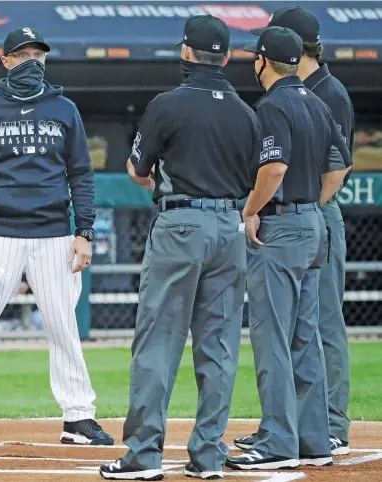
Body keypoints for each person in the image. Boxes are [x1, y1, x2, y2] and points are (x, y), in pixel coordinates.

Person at [0, 27, 114, 447]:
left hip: (54, 234)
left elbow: (81, 174)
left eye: (38, 55)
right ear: (5, 61)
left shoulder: (64, 108)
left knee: (64, 327)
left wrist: (84, 232)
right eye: (23, 54)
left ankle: (79, 417)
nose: (32, 61)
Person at [99, 15, 259, 481]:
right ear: (228, 58)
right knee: (220, 346)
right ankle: (208, 457)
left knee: (159, 341)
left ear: (186, 53)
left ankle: (144, 456)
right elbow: (256, 176)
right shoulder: (246, 113)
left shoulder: (167, 104)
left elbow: (136, 168)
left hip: (180, 224)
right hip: (229, 226)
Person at [226, 26, 352, 471]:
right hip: (313, 225)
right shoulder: (316, 101)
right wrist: (309, 207)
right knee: (305, 337)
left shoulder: (274, 104)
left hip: (280, 229)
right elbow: (341, 167)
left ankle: (278, 440)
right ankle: (314, 439)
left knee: (273, 337)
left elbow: (274, 168)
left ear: (263, 61)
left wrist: (251, 210)